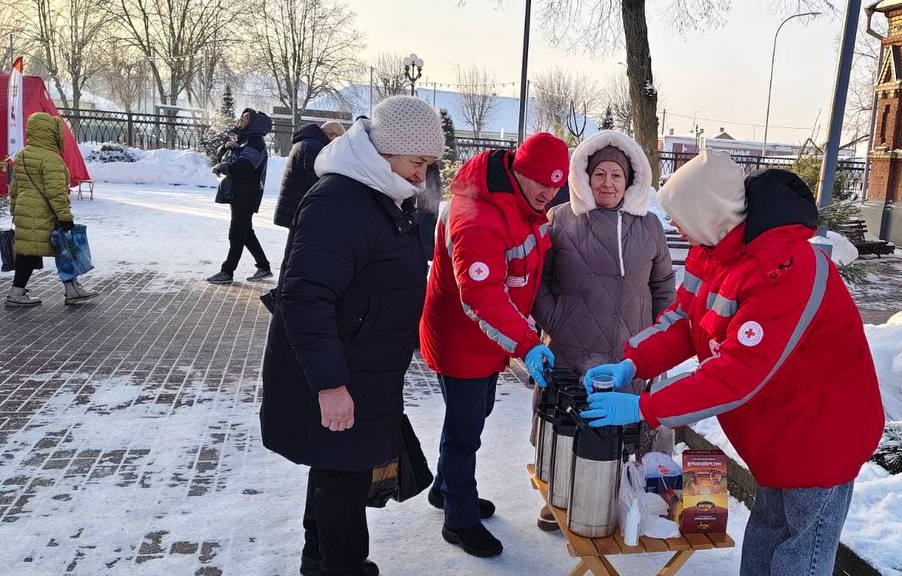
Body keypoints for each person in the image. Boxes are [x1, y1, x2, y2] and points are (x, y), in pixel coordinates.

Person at [581, 151, 885, 576]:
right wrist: (633, 364)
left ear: (708, 214)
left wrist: (645, 407)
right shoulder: (713, 254)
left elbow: (736, 373)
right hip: (776, 436)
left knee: (799, 556)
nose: (673, 225)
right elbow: (684, 323)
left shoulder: (787, 268)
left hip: (820, 436)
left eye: (679, 216)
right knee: (765, 535)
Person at [260, 95, 445, 576]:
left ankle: (318, 562)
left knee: (334, 472)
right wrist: (330, 385)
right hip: (340, 373)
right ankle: (341, 566)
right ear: (386, 150)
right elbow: (305, 297)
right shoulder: (341, 201)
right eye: (417, 161)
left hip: (364, 367)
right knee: (343, 481)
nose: (422, 174)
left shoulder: (383, 194)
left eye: (429, 164)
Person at [419, 131, 569, 558]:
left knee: (476, 413)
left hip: (490, 339)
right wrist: (527, 344)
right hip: (461, 338)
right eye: (540, 182)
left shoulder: (521, 204)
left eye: (556, 185)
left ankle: (446, 488)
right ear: (519, 170)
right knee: (464, 431)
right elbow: (481, 296)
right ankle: (459, 519)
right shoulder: (477, 216)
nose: (547, 194)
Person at [530, 130, 675, 531]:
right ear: (585, 176)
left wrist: (658, 339)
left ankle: (618, 500)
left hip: (631, 349)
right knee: (570, 423)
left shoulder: (649, 226)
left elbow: (664, 287)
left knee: (624, 429)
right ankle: (559, 495)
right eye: (599, 174)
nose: (607, 183)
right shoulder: (560, 219)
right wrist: (556, 320)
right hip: (571, 345)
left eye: (616, 175)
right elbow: (537, 282)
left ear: (630, 180)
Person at [6, 113, 98, 307]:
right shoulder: (51, 159)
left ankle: (68, 289)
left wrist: (14, 210)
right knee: (61, 249)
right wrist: (65, 216)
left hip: (25, 209)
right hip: (44, 212)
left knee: (32, 252)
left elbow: (14, 187)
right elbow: (56, 192)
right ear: (51, 132)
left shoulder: (23, 154)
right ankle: (67, 290)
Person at [208, 108, 273, 285]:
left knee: (236, 233)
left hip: (246, 194)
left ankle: (227, 272)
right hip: (238, 193)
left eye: (246, 118)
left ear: (254, 123)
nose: (241, 120)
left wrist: (222, 167)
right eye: (242, 117)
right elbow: (223, 157)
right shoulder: (243, 141)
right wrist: (225, 147)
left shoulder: (255, 143)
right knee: (246, 232)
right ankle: (264, 267)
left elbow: (243, 168)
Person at [274, 121, 346, 229]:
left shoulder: (306, 142)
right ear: (332, 135)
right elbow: (316, 182)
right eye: (340, 140)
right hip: (301, 208)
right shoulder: (314, 147)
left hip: (294, 206)